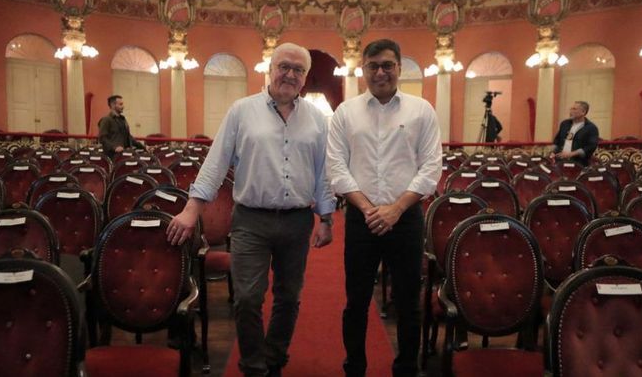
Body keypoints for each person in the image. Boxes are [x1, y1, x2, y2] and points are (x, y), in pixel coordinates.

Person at [166, 42, 335, 377]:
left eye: (298, 69)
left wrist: (326, 218)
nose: (290, 74)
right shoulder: (241, 111)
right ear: (270, 69)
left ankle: (274, 357)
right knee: (247, 298)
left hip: (297, 221)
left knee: (289, 297)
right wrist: (191, 209)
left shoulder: (317, 119)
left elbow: (323, 173)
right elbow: (215, 164)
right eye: (283, 66)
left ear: (305, 78)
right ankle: (253, 365)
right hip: (250, 221)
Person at [327, 39, 442, 377]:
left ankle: (406, 368)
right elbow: (336, 167)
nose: (380, 72)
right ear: (363, 70)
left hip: (406, 219)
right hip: (361, 221)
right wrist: (366, 208)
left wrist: (395, 209)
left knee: (408, 302)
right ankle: (355, 367)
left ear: (399, 68)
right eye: (373, 65)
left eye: (387, 65)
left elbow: (431, 168)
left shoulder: (422, 110)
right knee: (356, 302)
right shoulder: (345, 113)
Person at [550, 100, 599, 166]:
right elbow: (557, 140)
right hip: (560, 161)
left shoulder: (591, 128)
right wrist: (552, 152)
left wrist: (571, 154)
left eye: (574, 109)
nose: (571, 111)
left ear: (583, 112)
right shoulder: (564, 124)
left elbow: (591, 146)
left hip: (578, 163)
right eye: (571, 109)